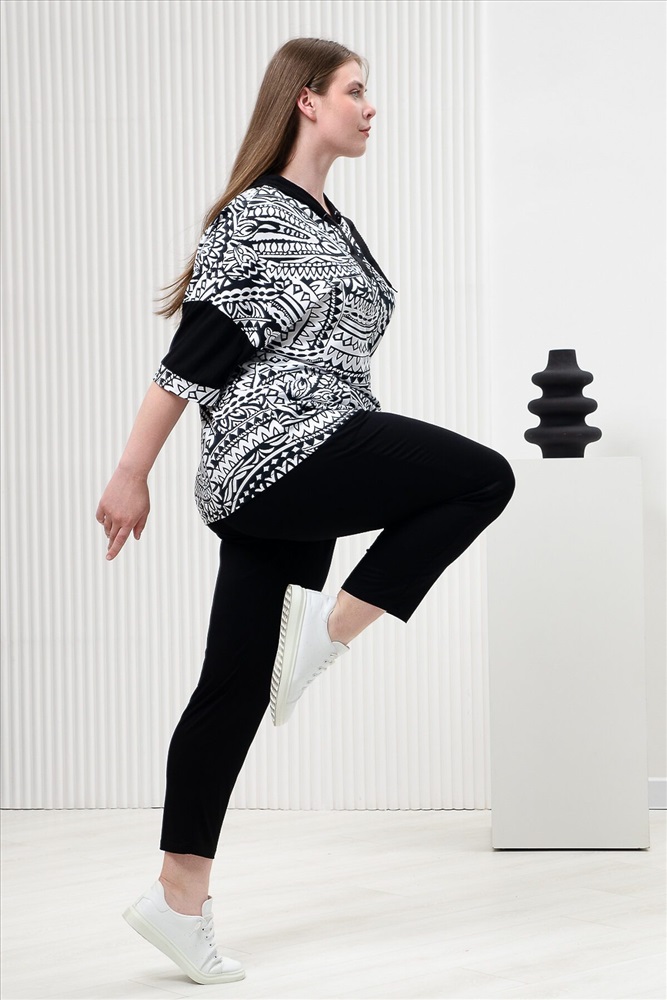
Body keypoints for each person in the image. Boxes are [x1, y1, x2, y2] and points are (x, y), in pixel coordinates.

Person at [96, 36, 515, 987]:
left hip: (296, 469)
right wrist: (130, 472)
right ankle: (327, 632)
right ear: (306, 102)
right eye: (355, 90)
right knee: (482, 477)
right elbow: (195, 354)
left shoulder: (334, 222)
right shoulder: (261, 218)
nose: (371, 107)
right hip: (284, 452)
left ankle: (176, 901)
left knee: (235, 686)